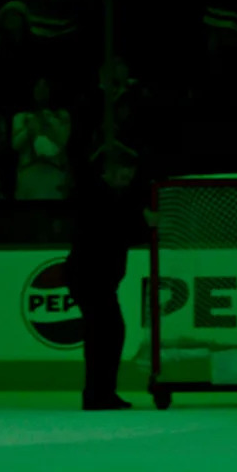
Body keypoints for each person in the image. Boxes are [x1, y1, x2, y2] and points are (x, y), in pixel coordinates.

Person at [63, 145, 154, 410]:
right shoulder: (98, 197)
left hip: (94, 277)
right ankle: (98, 393)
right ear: (109, 172)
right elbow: (118, 229)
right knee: (106, 332)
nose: (128, 179)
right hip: (91, 277)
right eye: (124, 174)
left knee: (105, 332)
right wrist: (144, 222)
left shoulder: (105, 196)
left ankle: (99, 392)